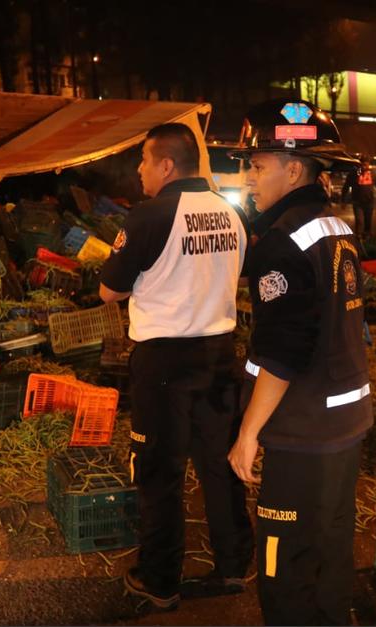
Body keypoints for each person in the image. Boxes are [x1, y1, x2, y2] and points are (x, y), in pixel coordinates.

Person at [226, 99, 373, 626]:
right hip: (345, 426)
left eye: (258, 165)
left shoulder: (282, 243)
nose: (249, 177)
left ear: (293, 168)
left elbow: (283, 354)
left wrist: (248, 433)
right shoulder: (337, 227)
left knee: (284, 563)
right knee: (330, 550)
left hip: (303, 433)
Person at [99, 122, 253, 610]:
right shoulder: (231, 215)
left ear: (166, 165)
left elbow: (110, 290)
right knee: (220, 464)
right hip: (220, 353)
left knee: (159, 472)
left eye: (144, 161)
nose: (140, 170)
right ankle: (234, 566)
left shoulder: (148, 217)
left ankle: (160, 580)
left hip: (164, 362)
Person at [341, 153, 376, 238]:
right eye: (362, 163)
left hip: (369, 201)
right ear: (360, 163)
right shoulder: (354, 173)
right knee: (359, 220)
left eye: (366, 163)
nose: (364, 165)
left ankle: (367, 234)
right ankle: (358, 236)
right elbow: (346, 186)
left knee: (368, 220)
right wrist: (343, 200)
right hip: (357, 201)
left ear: (368, 163)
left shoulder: (372, 173)